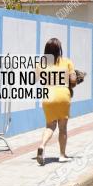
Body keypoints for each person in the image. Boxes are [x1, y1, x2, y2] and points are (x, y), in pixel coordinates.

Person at [36, 37, 77, 166]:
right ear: (59, 49)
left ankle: (42, 145)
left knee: (50, 126)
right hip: (62, 96)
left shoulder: (41, 63)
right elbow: (73, 81)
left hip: (48, 97)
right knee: (62, 128)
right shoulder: (67, 62)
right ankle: (62, 155)